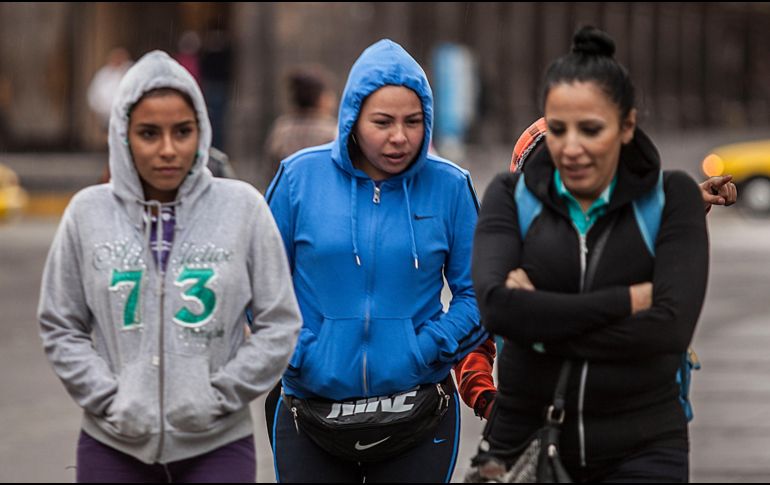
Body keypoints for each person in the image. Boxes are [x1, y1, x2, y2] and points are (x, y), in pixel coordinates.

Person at [38, 50, 301, 482]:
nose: (168, 149)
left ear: (202, 132)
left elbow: (280, 323)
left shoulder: (242, 209)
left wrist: (220, 395)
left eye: (183, 132)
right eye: (148, 133)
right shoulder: (88, 213)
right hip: (112, 444)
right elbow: (60, 324)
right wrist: (108, 398)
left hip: (217, 444)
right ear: (123, 135)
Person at [471, 26, 709, 482]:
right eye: (558, 129)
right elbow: (497, 310)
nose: (571, 148)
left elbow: (669, 330)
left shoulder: (673, 197)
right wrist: (628, 303)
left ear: (627, 126)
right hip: (521, 444)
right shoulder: (509, 194)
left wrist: (537, 326)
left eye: (591, 129)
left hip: (643, 448)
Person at [265, 39, 487, 483]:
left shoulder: (450, 185)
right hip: (311, 407)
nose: (399, 137)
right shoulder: (297, 178)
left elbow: (479, 292)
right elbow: (260, 285)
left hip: (418, 410)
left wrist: (425, 349)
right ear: (351, 119)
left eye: (413, 121)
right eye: (382, 122)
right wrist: (301, 354)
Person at [455, 116, 737, 421]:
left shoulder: (622, 238)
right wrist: (487, 400)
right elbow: (472, 338)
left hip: (627, 427)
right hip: (537, 425)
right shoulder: (505, 253)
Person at [263, 65, 337, 177]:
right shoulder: (333, 130)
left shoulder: (281, 128)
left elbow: (271, 168)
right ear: (321, 98)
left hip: (289, 189)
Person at [87, 47, 133, 134]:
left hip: (126, 116)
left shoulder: (131, 72)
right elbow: (94, 94)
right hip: (106, 117)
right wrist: (97, 109)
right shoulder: (103, 74)